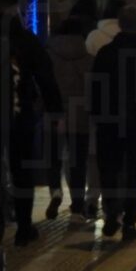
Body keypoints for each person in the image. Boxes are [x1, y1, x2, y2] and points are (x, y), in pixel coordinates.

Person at [0, 0, 63, 246]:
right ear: (16, 7)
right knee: (23, 171)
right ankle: (23, 227)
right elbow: (45, 76)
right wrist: (56, 110)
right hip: (21, 114)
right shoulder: (25, 39)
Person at [89, 5, 136, 240]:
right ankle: (129, 220)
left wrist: (96, 115)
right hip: (135, 120)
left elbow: (95, 89)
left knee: (109, 167)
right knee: (133, 171)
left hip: (108, 121)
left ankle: (111, 212)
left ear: (119, 24)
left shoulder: (105, 53)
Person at [46, 16, 94, 224]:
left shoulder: (48, 56)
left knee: (53, 158)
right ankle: (76, 207)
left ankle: (55, 191)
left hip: (53, 114)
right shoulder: (88, 58)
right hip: (80, 114)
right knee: (78, 163)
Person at [83, 0, 125, 218]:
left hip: (102, 108)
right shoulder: (130, 40)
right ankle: (118, 204)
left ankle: (93, 197)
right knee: (123, 157)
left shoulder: (93, 37)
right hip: (126, 108)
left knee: (97, 156)